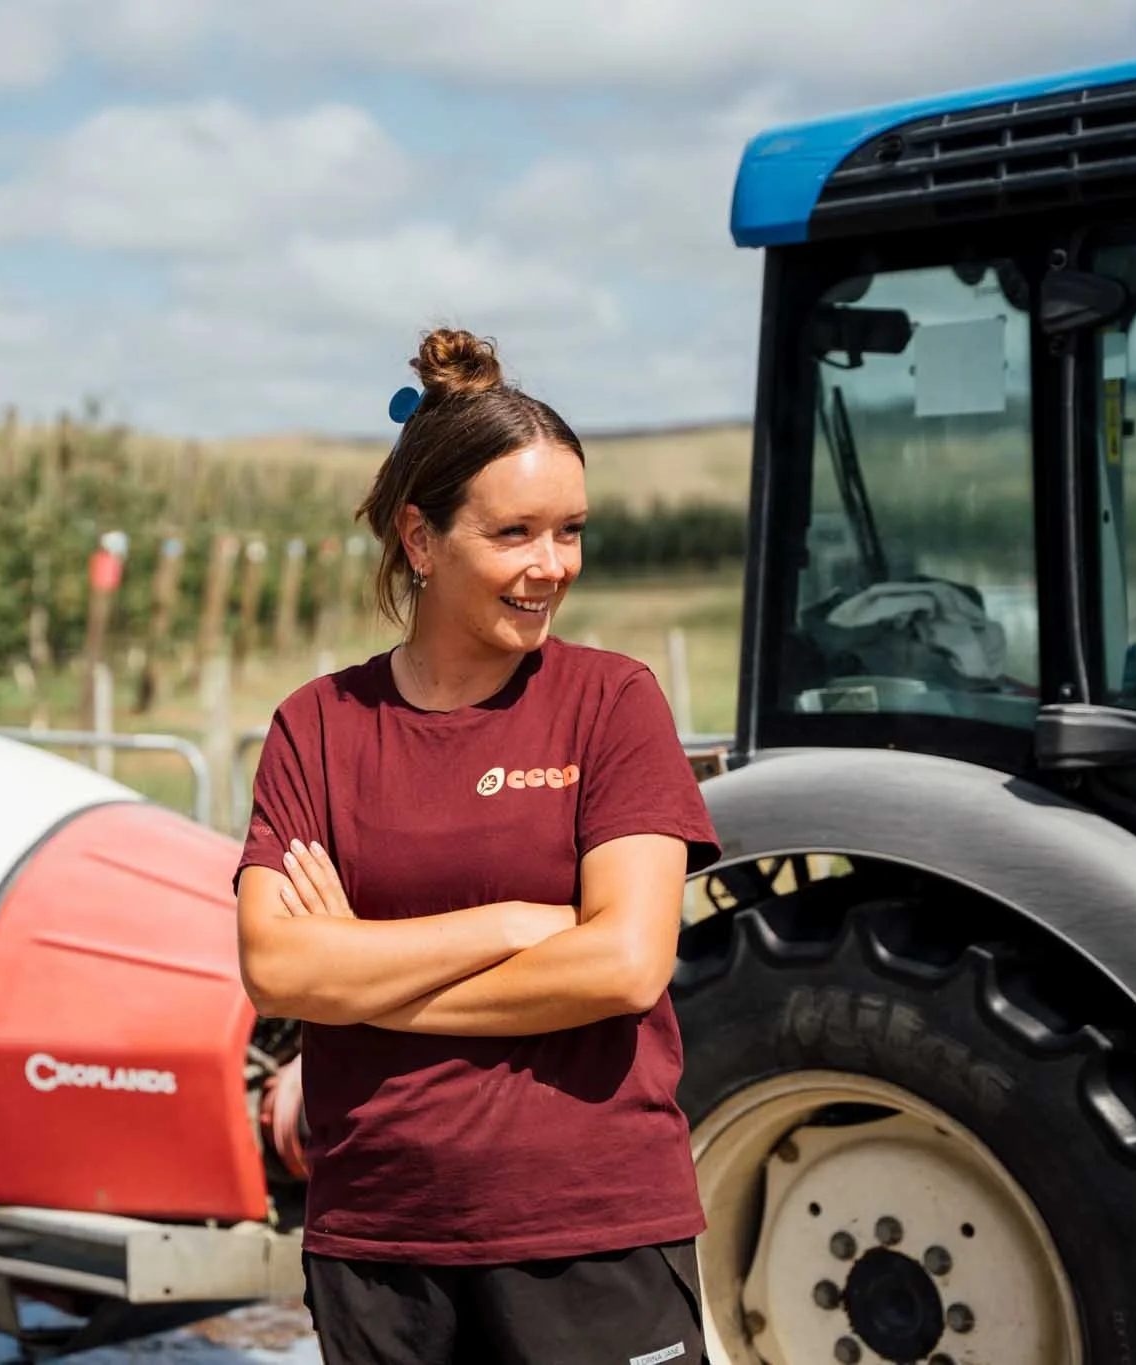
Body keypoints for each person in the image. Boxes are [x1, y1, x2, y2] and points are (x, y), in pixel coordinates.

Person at [234, 327, 720, 1364]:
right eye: (513, 535)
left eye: (570, 532)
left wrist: (361, 973)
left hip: (591, 1231)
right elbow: (277, 965)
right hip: (379, 1245)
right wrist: (506, 926)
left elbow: (624, 965)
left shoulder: (612, 705)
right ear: (419, 539)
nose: (551, 567)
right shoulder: (315, 728)